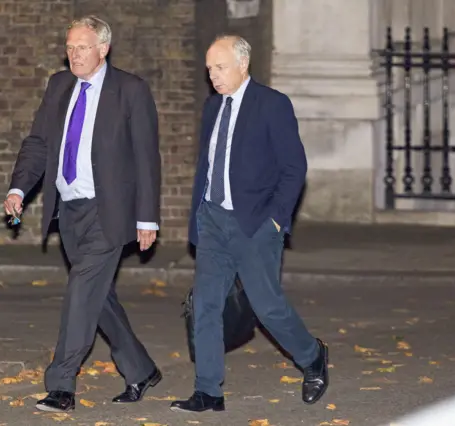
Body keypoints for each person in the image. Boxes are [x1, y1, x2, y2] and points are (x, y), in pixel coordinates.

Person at [4, 15, 162, 413]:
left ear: (103, 48)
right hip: (68, 208)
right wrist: (19, 187)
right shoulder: (60, 86)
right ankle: (141, 369)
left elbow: (146, 158)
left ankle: (61, 385)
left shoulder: (130, 90)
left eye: (82, 47)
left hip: (108, 210)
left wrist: (147, 217)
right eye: (70, 47)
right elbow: (38, 142)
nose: (73, 54)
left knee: (80, 293)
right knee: (97, 297)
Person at [170, 35, 329, 413]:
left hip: (255, 223)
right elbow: (208, 167)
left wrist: (276, 219)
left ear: (243, 65)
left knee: (267, 307)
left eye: (220, 67)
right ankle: (208, 390)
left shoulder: (272, 105)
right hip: (213, 220)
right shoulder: (212, 107)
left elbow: (294, 168)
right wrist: (198, 216)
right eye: (209, 68)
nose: (213, 76)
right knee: (206, 305)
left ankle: (312, 357)